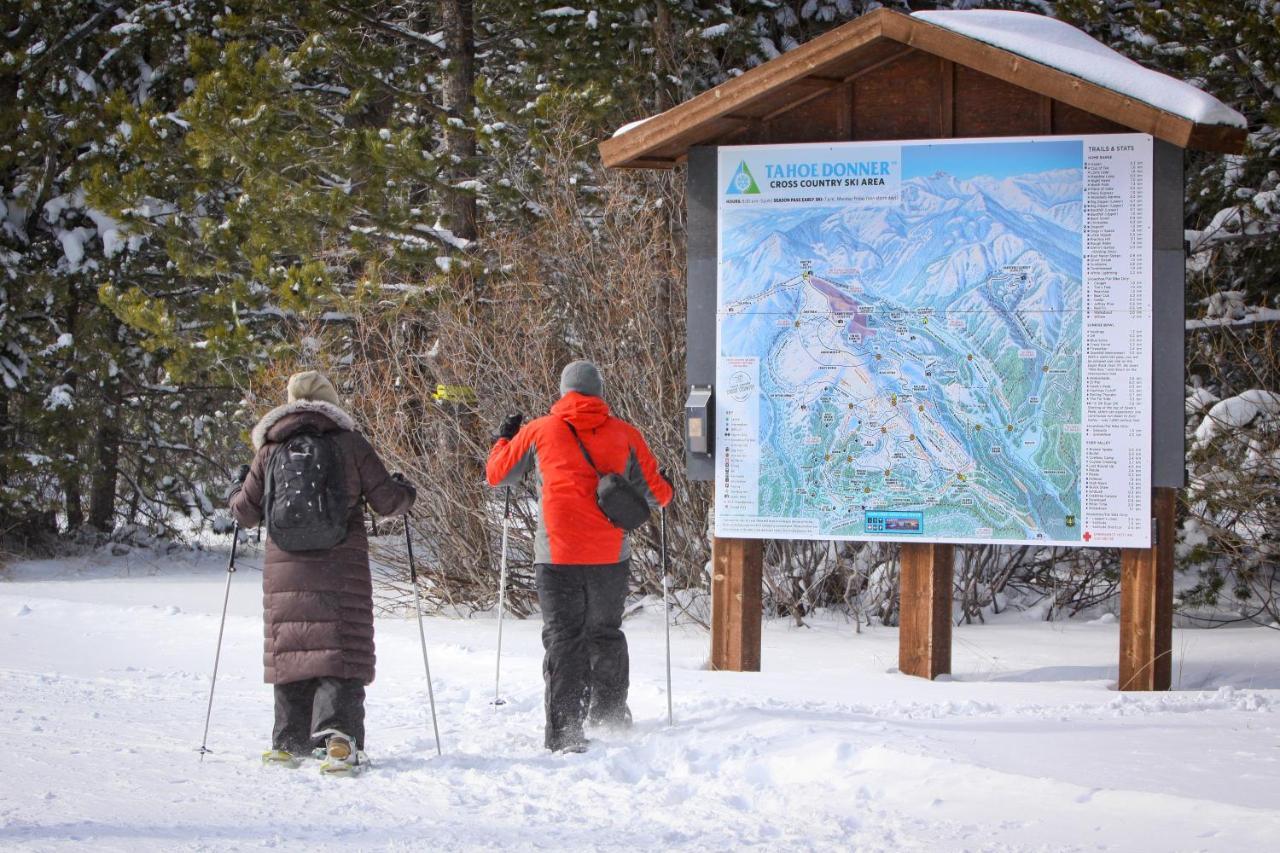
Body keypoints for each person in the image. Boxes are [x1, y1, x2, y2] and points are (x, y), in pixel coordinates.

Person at [229, 370, 415, 771]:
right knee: (339, 648)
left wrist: (236, 487)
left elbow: (244, 513)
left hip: (286, 569)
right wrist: (406, 491)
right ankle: (339, 741)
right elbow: (388, 502)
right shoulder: (349, 444)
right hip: (340, 565)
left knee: (293, 645)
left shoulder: (270, 450)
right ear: (332, 404)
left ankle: (287, 741)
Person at [486, 360, 673, 753]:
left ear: (563, 391)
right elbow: (659, 496)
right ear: (599, 392)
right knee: (605, 634)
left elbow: (498, 475)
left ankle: (565, 731)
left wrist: (504, 439)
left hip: (556, 556)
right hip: (609, 556)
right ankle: (609, 717)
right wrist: (663, 480)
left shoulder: (539, 430)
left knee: (564, 640)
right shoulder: (626, 435)